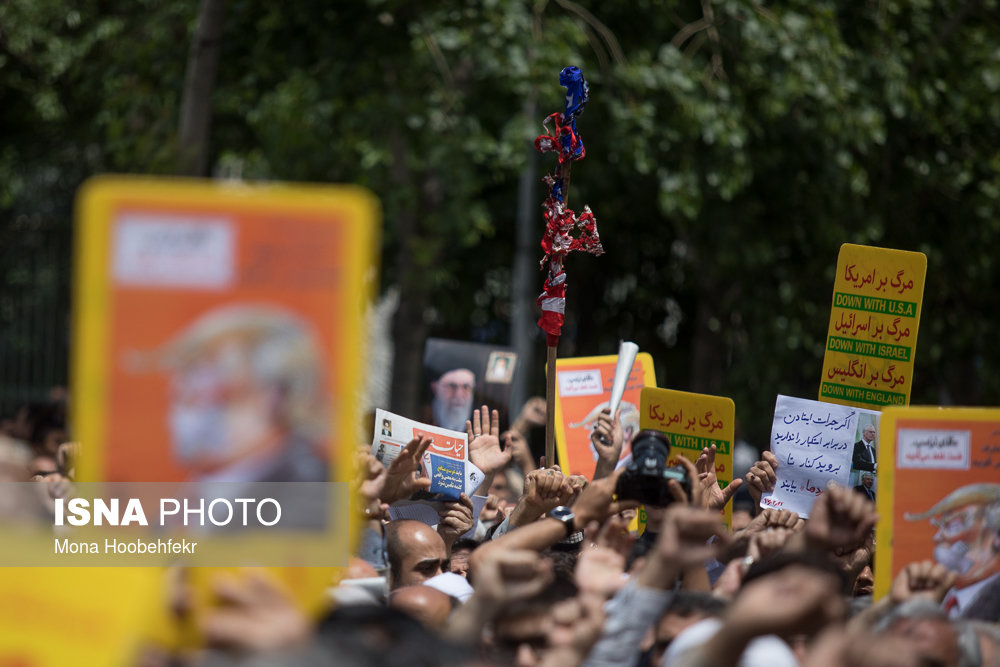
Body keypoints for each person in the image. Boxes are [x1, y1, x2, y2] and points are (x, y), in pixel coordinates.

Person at [158, 305, 328, 483]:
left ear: (276, 398)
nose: (188, 420)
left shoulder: (321, 497)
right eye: (183, 399)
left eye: (217, 398)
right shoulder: (201, 493)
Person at [905, 483, 1000, 621]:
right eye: (940, 525)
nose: (937, 536)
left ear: (997, 536)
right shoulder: (936, 597)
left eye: (954, 525)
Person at [431, 368, 476, 432]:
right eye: (452, 386)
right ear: (435, 388)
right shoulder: (425, 418)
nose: (459, 395)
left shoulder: (480, 425)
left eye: (466, 387)